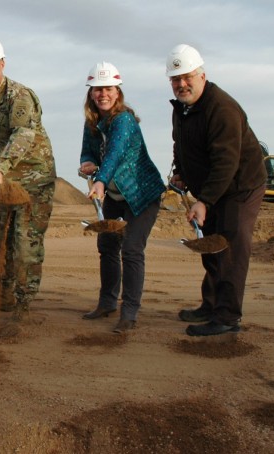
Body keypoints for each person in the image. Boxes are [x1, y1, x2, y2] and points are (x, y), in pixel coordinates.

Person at [166, 44, 266, 336]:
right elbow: (180, 145)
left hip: (239, 188)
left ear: (202, 75)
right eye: (175, 79)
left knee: (231, 251)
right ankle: (210, 304)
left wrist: (204, 201)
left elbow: (226, 162)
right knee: (210, 248)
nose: (181, 84)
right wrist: (182, 173)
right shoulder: (182, 109)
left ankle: (227, 317)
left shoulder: (221, 108)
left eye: (187, 77)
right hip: (212, 188)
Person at [0, 37, 57, 321]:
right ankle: (4, 298)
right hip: (3, 180)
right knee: (0, 240)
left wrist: (1, 166)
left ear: (2, 64)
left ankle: (23, 306)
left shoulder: (20, 96)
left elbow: (23, 136)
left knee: (25, 244)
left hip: (33, 179)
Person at [79, 62, 165, 333]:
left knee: (131, 249)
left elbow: (115, 152)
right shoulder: (93, 122)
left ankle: (129, 313)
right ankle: (107, 303)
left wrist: (101, 180)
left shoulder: (124, 120)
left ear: (117, 92)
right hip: (117, 194)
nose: (102, 94)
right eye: (97, 89)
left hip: (141, 194)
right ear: (91, 93)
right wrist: (88, 163)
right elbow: (88, 151)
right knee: (107, 245)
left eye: (107, 89)